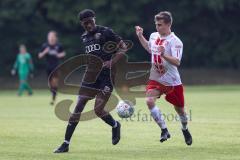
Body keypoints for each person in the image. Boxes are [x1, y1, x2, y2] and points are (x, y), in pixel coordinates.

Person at [54, 9, 127, 153]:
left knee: (98, 110)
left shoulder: (106, 32)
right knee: (78, 107)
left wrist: (112, 61)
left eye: (90, 22)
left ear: (94, 19)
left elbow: (123, 48)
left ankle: (115, 125)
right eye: (85, 23)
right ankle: (65, 143)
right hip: (90, 77)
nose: (88, 25)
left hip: (106, 77)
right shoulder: (84, 37)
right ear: (82, 24)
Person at [135, 11, 192, 145]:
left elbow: (177, 62)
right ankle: (164, 130)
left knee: (180, 111)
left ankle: (184, 129)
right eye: (156, 24)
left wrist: (164, 54)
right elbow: (150, 49)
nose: (157, 27)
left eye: (160, 25)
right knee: (149, 101)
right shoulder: (154, 36)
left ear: (168, 24)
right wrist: (140, 36)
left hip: (172, 81)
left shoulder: (176, 41)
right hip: (156, 77)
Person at [38, 31, 66, 105]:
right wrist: (45, 52)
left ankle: (53, 98)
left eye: (52, 36)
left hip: (56, 66)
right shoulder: (45, 46)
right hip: (48, 67)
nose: (50, 38)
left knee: (55, 82)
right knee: (50, 85)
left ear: (55, 37)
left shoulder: (58, 45)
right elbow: (39, 56)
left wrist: (58, 55)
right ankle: (54, 93)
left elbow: (63, 53)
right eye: (49, 36)